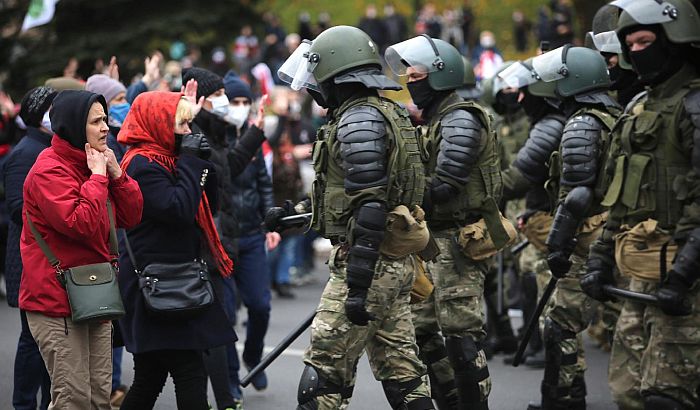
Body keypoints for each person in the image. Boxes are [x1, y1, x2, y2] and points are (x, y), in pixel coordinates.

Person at [268, 26, 434, 410]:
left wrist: (357, 285)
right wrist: (292, 216)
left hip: (368, 264)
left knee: (323, 379)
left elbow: (371, 205)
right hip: (393, 262)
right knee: (404, 375)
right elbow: (352, 194)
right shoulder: (383, 112)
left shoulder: (359, 121)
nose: (313, 88)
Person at [581, 0, 700, 408]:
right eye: (630, 44)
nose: (635, 51)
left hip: (687, 275)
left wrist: (684, 273)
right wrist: (599, 259)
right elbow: (622, 200)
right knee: (628, 392)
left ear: (675, 41)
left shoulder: (694, 105)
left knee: (668, 394)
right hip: (641, 274)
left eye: (645, 41)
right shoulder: (637, 108)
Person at [386, 35, 509, 409]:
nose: (409, 78)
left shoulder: (460, 119)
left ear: (440, 74)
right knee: (422, 329)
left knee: (460, 333)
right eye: (406, 72)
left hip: (459, 240)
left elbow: (445, 186)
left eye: (416, 72)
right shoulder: (435, 119)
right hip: (432, 243)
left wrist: (393, 193)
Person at [20, 89, 143, 410]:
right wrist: (99, 177)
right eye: (96, 121)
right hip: (56, 301)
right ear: (74, 126)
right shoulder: (49, 169)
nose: (106, 128)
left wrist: (116, 175)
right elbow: (80, 224)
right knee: (72, 399)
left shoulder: (95, 161)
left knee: (98, 397)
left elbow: (131, 216)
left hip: (94, 294)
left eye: (105, 119)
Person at [116, 88, 236, 410]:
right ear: (158, 124)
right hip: (157, 283)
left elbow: (210, 202)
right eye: (181, 126)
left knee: (150, 378)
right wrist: (191, 162)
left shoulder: (168, 160)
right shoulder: (141, 164)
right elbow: (178, 209)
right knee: (188, 371)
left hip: (174, 280)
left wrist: (202, 162)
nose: (187, 133)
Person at [522, 45, 621, 410]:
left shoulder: (581, 123)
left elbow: (576, 196)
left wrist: (558, 245)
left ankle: (562, 400)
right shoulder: (613, 116)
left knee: (560, 323)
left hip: (587, 237)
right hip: (611, 232)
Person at [222, 70, 279, 406]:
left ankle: (253, 357)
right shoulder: (217, 141)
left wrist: (271, 224)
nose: (241, 107)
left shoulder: (255, 139)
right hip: (223, 239)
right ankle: (229, 379)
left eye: (246, 101)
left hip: (252, 236)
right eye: (235, 102)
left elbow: (264, 186)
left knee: (260, 305)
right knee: (226, 314)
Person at [5, 86, 56, 410]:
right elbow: (17, 208)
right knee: (34, 341)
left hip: (44, 259)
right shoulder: (24, 154)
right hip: (30, 262)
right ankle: (24, 404)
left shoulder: (48, 148)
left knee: (50, 343)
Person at [86, 74, 130, 163]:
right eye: (119, 99)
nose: (125, 103)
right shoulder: (106, 137)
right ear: (105, 105)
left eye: (124, 98)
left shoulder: (119, 130)